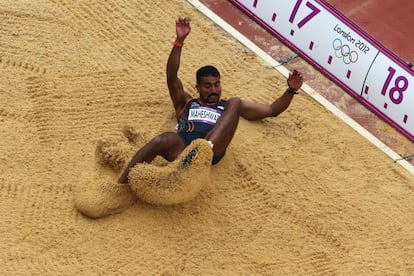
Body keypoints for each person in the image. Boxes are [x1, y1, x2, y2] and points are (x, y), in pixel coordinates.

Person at [117, 17, 304, 184]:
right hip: (184, 150)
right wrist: (179, 41)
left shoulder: (226, 107)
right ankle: (121, 185)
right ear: (198, 88)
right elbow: (171, 77)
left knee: (235, 102)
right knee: (161, 140)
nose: (214, 90)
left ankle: (204, 148)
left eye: (217, 85)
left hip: (212, 150)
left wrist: (291, 90)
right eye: (208, 86)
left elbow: (272, 110)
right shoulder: (186, 103)